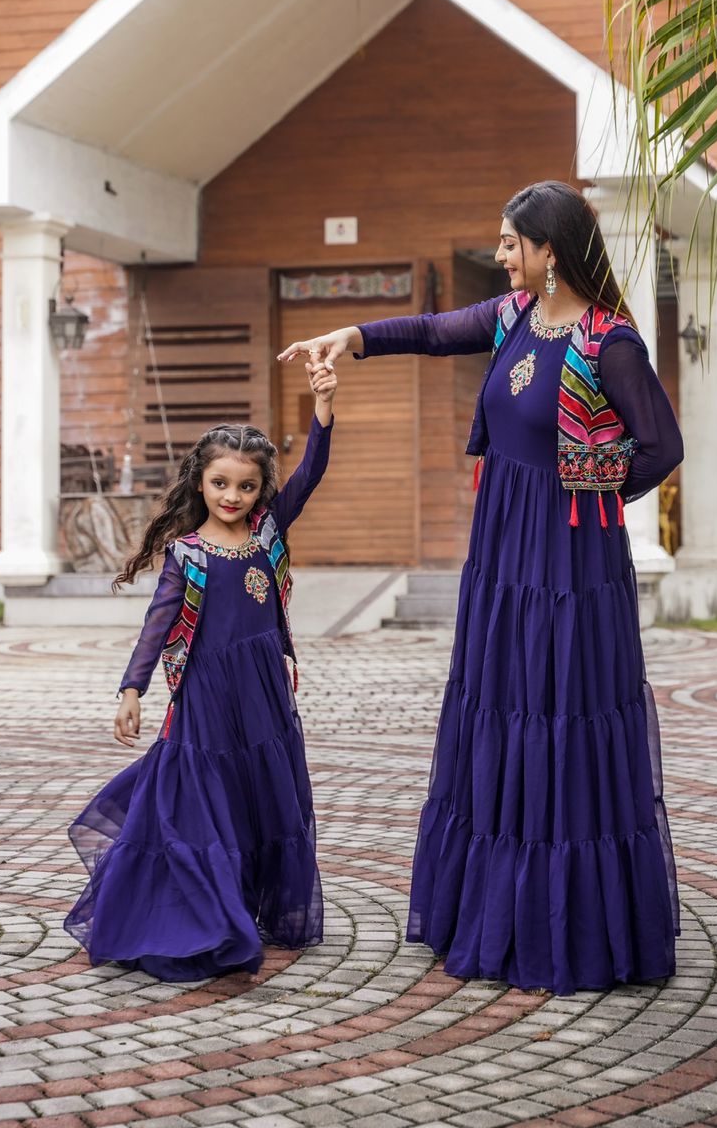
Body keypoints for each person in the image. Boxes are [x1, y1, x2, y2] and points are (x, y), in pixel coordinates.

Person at [279, 181, 682, 994]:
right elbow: (429, 331)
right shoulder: (511, 321)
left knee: (562, 716)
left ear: (551, 254)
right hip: (501, 558)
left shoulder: (612, 344)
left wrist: (588, 476)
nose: (500, 257)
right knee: (501, 709)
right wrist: (350, 335)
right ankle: (493, 911)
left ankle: (571, 926)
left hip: (572, 568)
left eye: (510, 243)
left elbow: (661, 447)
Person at [64, 358, 337, 982]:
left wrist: (322, 408)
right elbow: (157, 626)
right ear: (200, 484)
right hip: (208, 694)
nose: (233, 498)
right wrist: (132, 689)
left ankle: (245, 898)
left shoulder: (269, 532)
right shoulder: (187, 554)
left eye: (245, 487)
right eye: (221, 485)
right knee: (204, 802)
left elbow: (312, 472)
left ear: (260, 490)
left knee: (257, 797)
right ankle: (210, 915)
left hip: (265, 691)